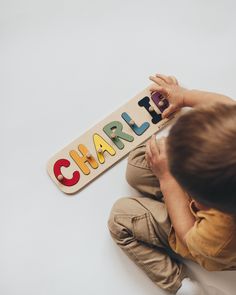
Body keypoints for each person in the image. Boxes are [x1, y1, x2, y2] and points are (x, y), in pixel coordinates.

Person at [108, 74, 236, 294]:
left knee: (120, 218)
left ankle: (182, 287)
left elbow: (187, 235)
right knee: (138, 165)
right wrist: (184, 97)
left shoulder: (219, 240)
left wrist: (167, 178)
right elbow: (225, 105)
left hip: (198, 238)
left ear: (197, 200)